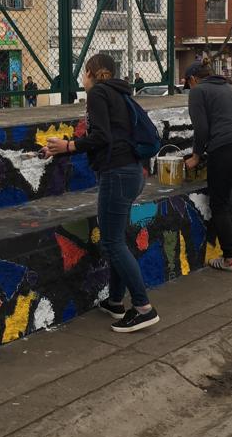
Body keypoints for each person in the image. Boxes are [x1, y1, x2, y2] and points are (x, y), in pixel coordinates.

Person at [43, 53, 159, 333]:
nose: (82, 79)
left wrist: (68, 146)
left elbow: (102, 137)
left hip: (117, 174)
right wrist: (60, 149)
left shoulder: (98, 95)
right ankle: (116, 301)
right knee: (116, 240)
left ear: (93, 72)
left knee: (111, 243)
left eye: (84, 73)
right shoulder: (120, 94)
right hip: (133, 173)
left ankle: (144, 308)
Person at [184, 60, 232, 272]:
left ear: (193, 79)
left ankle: (229, 259)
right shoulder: (231, 88)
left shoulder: (198, 91)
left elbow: (201, 128)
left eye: (188, 84)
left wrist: (196, 156)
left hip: (226, 148)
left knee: (219, 203)